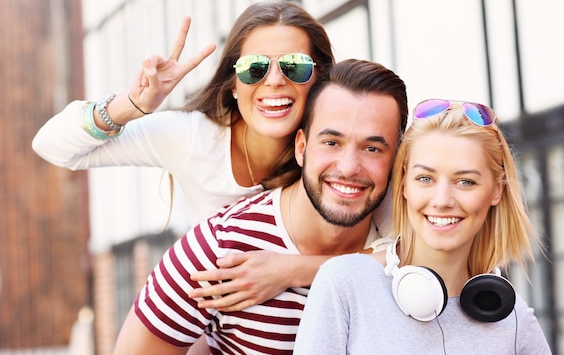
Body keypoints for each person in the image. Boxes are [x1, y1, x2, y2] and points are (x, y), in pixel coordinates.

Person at [32, 1, 394, 316]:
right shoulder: (193, 139)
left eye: (294, 66)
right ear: (233, 83)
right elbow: (52, 145)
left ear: (319, 79)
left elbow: (408, 255)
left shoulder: (348, 163)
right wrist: (132, 105)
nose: (273, 82)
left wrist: (290, 271)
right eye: (254, 68)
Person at [111, 59, 409, 355]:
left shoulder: (413, 237)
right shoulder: (222, 250)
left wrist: (294, 271)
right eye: (332, 142)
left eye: (372, 149)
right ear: (301, 148)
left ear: (396, 160)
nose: (348, 167)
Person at [293, 99, 552, 355]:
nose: (442, 201)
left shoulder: (512, 318)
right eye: (425, 178)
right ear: (404, 183)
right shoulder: (345, 284)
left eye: (465, 182)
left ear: (497, 190)